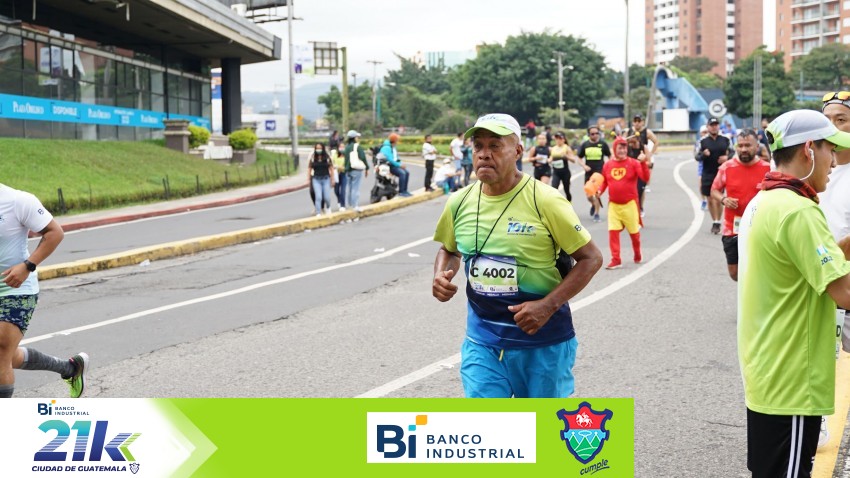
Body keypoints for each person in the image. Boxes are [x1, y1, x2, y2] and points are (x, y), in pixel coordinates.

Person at [432, 113, 602, 398]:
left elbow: (591, 258)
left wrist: (547, 305)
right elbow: (448, 249)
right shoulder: (459, 202)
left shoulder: (545, 200)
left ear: (518, 151)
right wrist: (440, 274)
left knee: (541, 426)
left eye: (495, 146)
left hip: (542, 342)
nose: (484, 154)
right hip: (483, 341)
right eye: (478, 146)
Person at [737, 109, 850, 478]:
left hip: (768, 369)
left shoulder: (765, 200)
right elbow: (844, 292)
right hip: (793, 378)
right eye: (830, 149)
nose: (835, 160)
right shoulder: (799, 210)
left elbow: (807, 263)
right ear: (808, 149)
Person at [0, 183, 88, 398]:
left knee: (1, 352)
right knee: (8, 355)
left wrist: (28, 266)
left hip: (15, 289)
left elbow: (55, 232)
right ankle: (70, 368)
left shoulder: (18, 201)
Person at [709, 129, 770, 282]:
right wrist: (724, 199)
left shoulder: (768, 169)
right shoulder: (727, 167)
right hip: (732, 229)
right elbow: (714, 190)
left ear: (757, 147)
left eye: (748, 145)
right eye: (740, 145)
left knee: (758, 271)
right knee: (734, 273)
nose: (743, 149)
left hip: (759, 228)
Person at [596, 137, 650, 269]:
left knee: (634, 234)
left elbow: (645, 178)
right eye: (620, 148)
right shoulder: (608, 165)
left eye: (625, 148)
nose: (623, 150)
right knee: (613, 232)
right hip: (613, 205)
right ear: (615, 149)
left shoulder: (633, 163)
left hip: (630, 204)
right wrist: (599, 191)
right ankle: (616, 259)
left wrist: (643, 163)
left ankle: (637, 253)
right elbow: (604, 181)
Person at [699, 118, 732, 234]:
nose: (714, 127)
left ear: (718, 126)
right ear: (708, 127)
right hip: (707, 173)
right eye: (711, 125)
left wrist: (727, 158)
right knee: (709, 199)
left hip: (721, 173)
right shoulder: (702, 141)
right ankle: (714, 220)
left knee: (718, 198)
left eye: (716, 125)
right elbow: (697, 156)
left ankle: (718, 222)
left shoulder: (725, 139)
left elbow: (733, 152)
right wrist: (704, 154)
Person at [625, 114, 659, 218]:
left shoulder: (646, 132)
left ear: (642, 122)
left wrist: (650, 155)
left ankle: (640, 207)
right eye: (635, 121)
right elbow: (621, 142)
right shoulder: (628, 131)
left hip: (642, 159)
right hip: (630, 160)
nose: (637, 123)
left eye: (639, 121)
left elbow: (656, 142)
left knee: (641, 188)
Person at [577, 126, 611, 222]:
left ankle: (597, 214)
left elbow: (610, 155)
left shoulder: (603, 144)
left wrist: (609, 165)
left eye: (597, 133)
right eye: (592, 134)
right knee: (589, 195)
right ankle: (593, 204)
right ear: (589, 135)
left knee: (596, 194)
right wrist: (584, 166)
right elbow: (579, 158)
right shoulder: (585, 145)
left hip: (599, 173)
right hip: (589, 173)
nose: (595, 135)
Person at [343, 130, 368, 212]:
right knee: (355, 188)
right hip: (356, 170)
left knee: (350, 188)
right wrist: (367, 167)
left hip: (348, 170)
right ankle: (355, 205)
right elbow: (363, 157)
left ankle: (350, 205)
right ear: (354, 138)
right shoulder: (357, 147)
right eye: (357, 137)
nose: (358, 138)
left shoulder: (347, 147)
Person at [380, 133, 411, 197]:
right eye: (397, 139)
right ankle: (401, 192)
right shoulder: (386, 148)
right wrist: (399, 165)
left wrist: (400, 163)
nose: (398, 141)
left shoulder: (393, 147)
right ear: (394, 140)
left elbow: (396, 158)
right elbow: (390, 160)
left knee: (407, 172)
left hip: (395, 165)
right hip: (389, 166)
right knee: (402, 173)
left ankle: (405, 190)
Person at [307, 142, 335, 215]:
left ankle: (328, 208)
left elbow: (331, 168)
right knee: (318, 197)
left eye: (320, 148)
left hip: (326, 179)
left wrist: (332, 179)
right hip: (316, 179)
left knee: (326, 197)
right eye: (317, 148)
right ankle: (318, 212)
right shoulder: (313, 157)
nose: (318, 150)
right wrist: (308, 179)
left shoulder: (327, 157)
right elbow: (309, 168)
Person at [550, 132, 578, 201]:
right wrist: (548, 161)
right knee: (554, 189)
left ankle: (569, 202)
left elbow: (573, 160)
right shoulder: (553, 148)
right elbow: (550, 158)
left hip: (565, 173)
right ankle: (556, 204)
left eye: (560, 138)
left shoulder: (567, 148)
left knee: (566, 190)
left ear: (563, 139)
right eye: (557, 139)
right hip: (556, 172)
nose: (558, 140)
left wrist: (566, 156)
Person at [695, 124, 709, 211]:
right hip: (702, 166)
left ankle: (710, 200)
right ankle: (704, 200)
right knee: (701, 184)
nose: (705, 134)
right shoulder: (699, 142)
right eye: (704, 132)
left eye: (706, 132)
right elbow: (696, 155)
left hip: (712, 166)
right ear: (700, 133)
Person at [332, 143, 347, 211]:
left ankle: (342, 205)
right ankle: (339, 199)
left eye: (343, 147)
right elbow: (332, 163)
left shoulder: (346, 155)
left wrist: (343, 167)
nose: (342, 148)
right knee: (336, 190)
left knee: (343, 190)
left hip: (344, 173)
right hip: (336, 174)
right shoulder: (334, 155)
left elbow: (348, 165)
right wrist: (336, 166)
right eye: (340, 147)